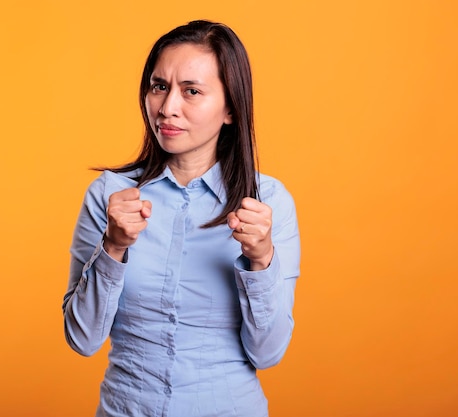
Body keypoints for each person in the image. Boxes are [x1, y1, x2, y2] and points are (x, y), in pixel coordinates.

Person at [62, 20, 301, 417]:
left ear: (230, 108)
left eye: (191, 91)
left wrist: (261, 260)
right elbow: (83, 339)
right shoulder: (110, 196)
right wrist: (113, 247)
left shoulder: (268, 203)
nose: (168, 107)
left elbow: (269, 353)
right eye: (159, 87)